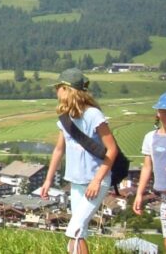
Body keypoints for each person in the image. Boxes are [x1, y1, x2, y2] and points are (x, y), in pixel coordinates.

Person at [41, 68, 117, 254]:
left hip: (95, 181)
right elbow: (59, 150)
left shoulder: (93, 115)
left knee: (74, 228)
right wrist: (48, 180)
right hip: (76, 181)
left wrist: (97, 181)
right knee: (78, 232)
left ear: (67, 89)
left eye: (58, 87)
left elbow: (112, 149)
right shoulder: (65, 118)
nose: (56, 91)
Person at [134, 91, 166, 251]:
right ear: (158, 113)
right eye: (164, 111)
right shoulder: (150, 138)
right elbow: (147, 167)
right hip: (165, 196)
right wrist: (139, 194)